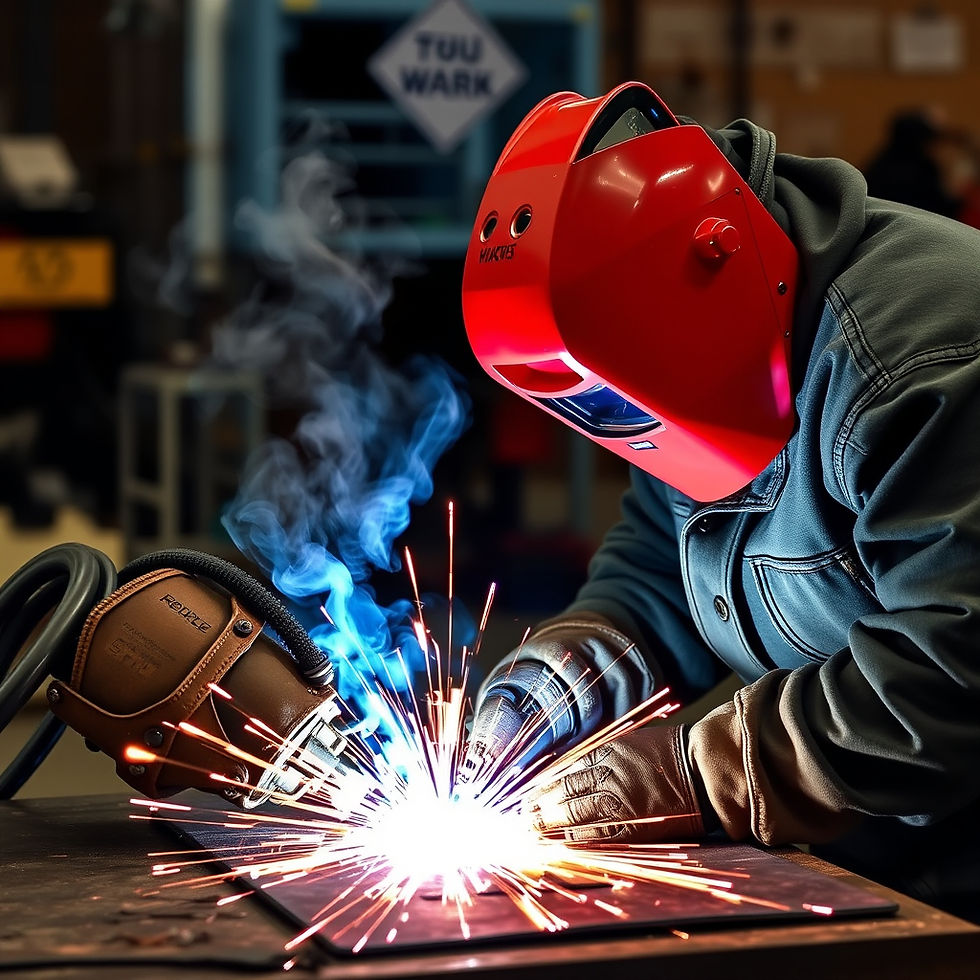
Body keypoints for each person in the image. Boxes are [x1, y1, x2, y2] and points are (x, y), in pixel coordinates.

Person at [460, 82, 980, 923]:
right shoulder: (691, 346)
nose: (627, 431)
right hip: (876, 842)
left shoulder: (918, 363)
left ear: (714, 256)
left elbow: (951, 676)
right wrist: (570, 673)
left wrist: (701, 772)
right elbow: (668, 557)